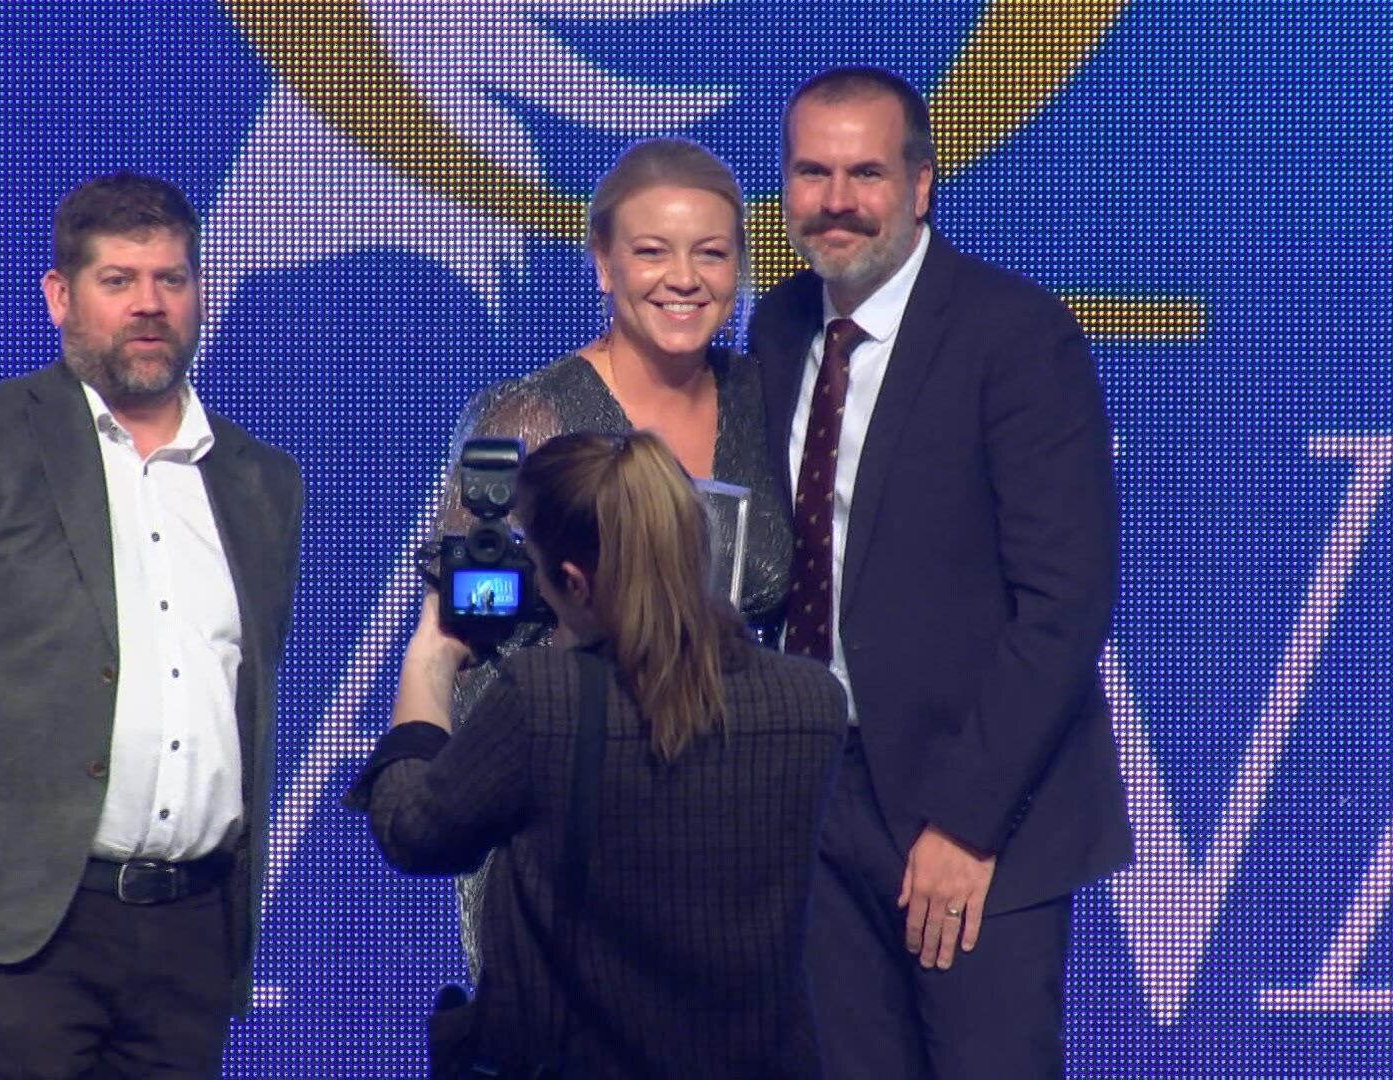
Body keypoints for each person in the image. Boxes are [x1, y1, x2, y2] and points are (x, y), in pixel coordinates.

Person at [0, 172, 304, 1078]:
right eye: (118, 281)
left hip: (190, 936)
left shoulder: (258, 480)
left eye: (171, 279)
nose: (148, 305)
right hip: (18, 937)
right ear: (60, 297)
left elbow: (242, 699)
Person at [751, 68, 1131, 1077]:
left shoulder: (1016, 336)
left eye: (866, 172)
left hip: (977, 812)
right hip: (817, 795)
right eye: (813, 172)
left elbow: (1066, 602)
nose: (838, 200)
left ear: (921, 185)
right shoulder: (776, 329)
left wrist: (964, 823)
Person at [350, 431, 848, 1077]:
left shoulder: (542, 700)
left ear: (575, 582)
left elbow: (413, 831)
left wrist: (431, 658)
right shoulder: (813, 704)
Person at [432, 136, 794, 971]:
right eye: (652, 251)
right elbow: (466, 617)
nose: (684, 278)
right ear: (603, 263)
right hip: (562, 818)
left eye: (711, 252)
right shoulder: (528, 418)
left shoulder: (769, 406)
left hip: (731, 825)